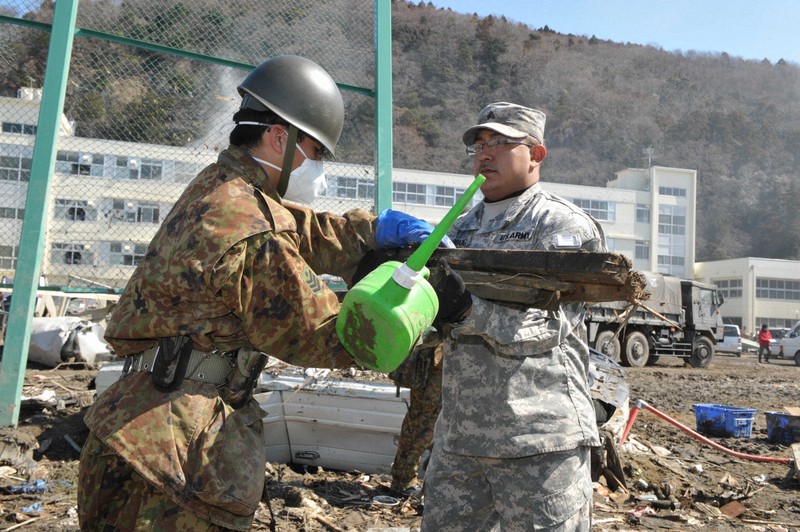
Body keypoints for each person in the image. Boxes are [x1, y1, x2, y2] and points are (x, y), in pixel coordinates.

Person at [77, 55, 443, 531]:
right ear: (278, 138)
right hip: (176, 452)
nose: (320, 168)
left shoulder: (219, 188)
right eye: (316, 152)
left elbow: (296, 226)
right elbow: (327, 335)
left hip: (133, 424)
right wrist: (418, 306)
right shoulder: (250, 229)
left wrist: (371, 233)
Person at [421, 102, 607, 531]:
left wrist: (468, 310)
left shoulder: (561, 226)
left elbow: (550, 327)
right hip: (460, 442)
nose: (485, 154)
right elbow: (435, 326)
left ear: (536, 154)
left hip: (540, 443)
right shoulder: (459, 226)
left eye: (502, 143)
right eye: (480, 145)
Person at [389, 342, 443, 496]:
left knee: (420, 420)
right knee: (424, 424)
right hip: (433, 365)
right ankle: (403, 481)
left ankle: (402, 480)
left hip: (432, 363)